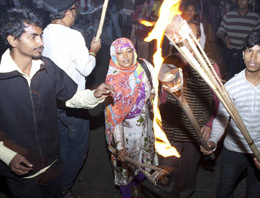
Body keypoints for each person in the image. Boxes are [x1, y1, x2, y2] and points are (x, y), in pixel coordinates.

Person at [0, 6, 113, 198]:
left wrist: (94, 95)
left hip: (53, 164)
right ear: (12, 40)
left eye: (41, 35)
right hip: (22, 173)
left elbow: (72, 98)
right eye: (33, 37)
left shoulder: (47, 68)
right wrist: (6, 156)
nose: (41, 42)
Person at [41, 0, 101, 194]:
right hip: (73, 103)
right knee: (78, 147)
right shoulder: (73, 35)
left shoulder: (44, 32)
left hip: (53, 102)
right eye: (75, 10)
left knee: (63, 143)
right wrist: (94, 50)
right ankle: (64, 185)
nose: (76, 14)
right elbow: (86, 68)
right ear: (68, 11)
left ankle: (63, 175)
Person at [159, 22, 221, 198]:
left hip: (196, 130)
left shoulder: (210, 67)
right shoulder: (169, 62)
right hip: (173, 127)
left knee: (188, 171)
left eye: (191, 36)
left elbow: (217, 101)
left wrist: (209, 124)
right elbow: (163, 97)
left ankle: (185, 194)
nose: (187, 41)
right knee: (168, 168)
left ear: (198, 38)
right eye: (182, 37)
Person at [201, 31, 260, 198]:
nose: (253, 57)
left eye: (259, 52)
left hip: (259, 150)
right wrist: (213, 140)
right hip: (234, 149)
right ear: (243, 54)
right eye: (249, 51)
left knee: (255, 192)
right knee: (225, 190)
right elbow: (222, 118)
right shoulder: (232, 86)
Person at [104, 37, 158, 198]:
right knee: (125, 169)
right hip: (126, 133)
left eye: (129, 51)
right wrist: (120, 146)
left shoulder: (144, 66)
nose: (125, 56)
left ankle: (137, 184)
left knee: (145, 164)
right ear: (114, 56)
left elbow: (154, 88)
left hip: (146, 127)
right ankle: (128, 193)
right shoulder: (112, 82)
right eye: (120, 53)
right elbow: (115, 119)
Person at [217, 0, 260, 80]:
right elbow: (220, 32)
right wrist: (225, 40)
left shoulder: (255, 17)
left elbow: (257, 36)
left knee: (244, 76)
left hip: (246, 53)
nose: (241, 2)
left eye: (244, 0)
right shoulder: (229, 15)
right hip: (230, 52)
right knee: (228, 76)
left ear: (249, 1)